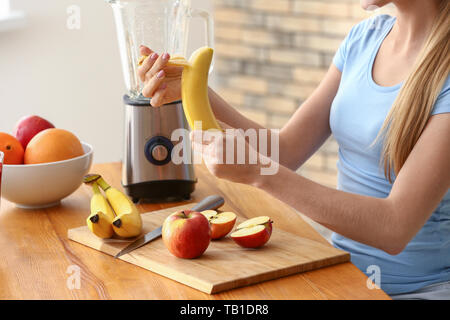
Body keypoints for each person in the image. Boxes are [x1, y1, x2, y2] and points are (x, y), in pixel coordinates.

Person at [137, 0, 450, 299]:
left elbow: (393, 228)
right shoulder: (365, 39)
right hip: (343, 274)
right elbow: (285, 151)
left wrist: (259, 173)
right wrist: (195, 91)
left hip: (416, 292)